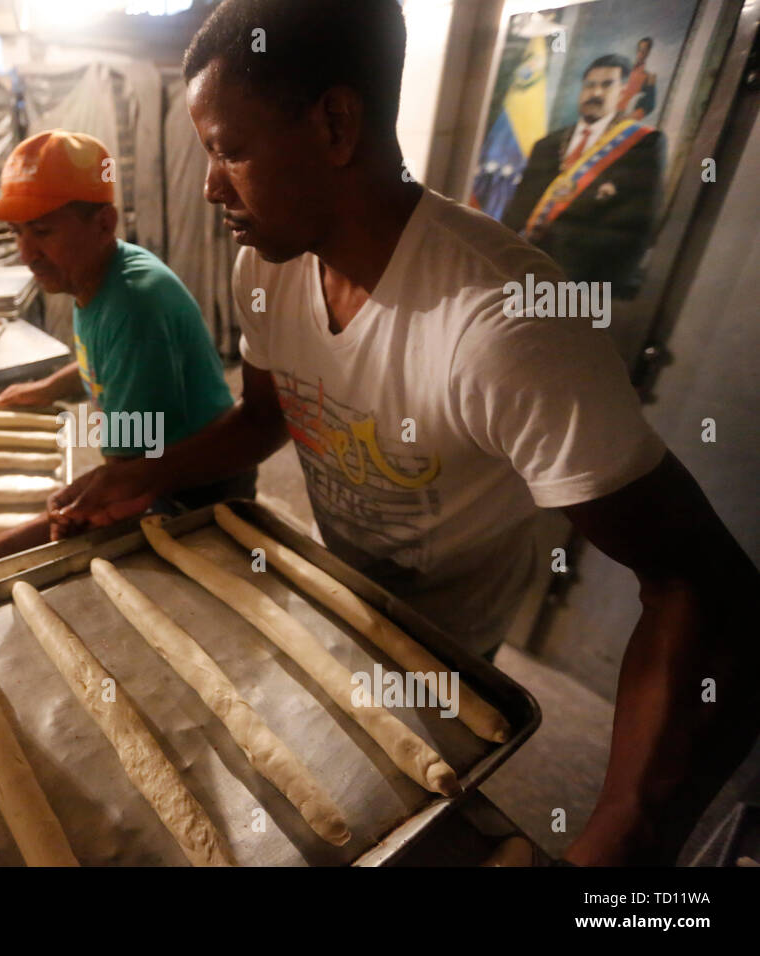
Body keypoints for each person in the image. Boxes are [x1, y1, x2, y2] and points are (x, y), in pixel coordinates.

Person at [51, 0, 759, 866]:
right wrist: (144, 472)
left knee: (414, 806)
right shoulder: (265, 269)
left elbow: (700, 584)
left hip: (449, 646)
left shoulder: (502, 322)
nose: (209, 185)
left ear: (336, 124)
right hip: (335, 599)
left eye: (229, 149)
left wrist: (625, 831)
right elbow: (269, 417)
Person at [0, 129, 252, 579]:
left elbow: (120, 486)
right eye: (17, 233)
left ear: (103, 224)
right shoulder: (96, 280)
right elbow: (100, 359)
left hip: (196, 492)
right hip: (148, 468)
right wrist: (48, 388)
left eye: (43, 231)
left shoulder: (134, 302)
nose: (27, 254)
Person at [502, 54, 664, 296]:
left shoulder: (642, 145)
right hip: (525, 272)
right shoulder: (547, 144)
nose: (595, 92)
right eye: (590, 85)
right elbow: (518, 210)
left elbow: (638, 226)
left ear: (623, 92)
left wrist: (603, 294)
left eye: (607, 84)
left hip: (585, 284)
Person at [618, 37, 657, 121]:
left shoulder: (649, 76)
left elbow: (650, 104)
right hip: (610, 113)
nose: (641, 53)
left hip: (624, 117)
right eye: (639, 50)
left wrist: (631, 117)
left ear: (648, 52)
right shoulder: (625, 69)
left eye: (644, 50)